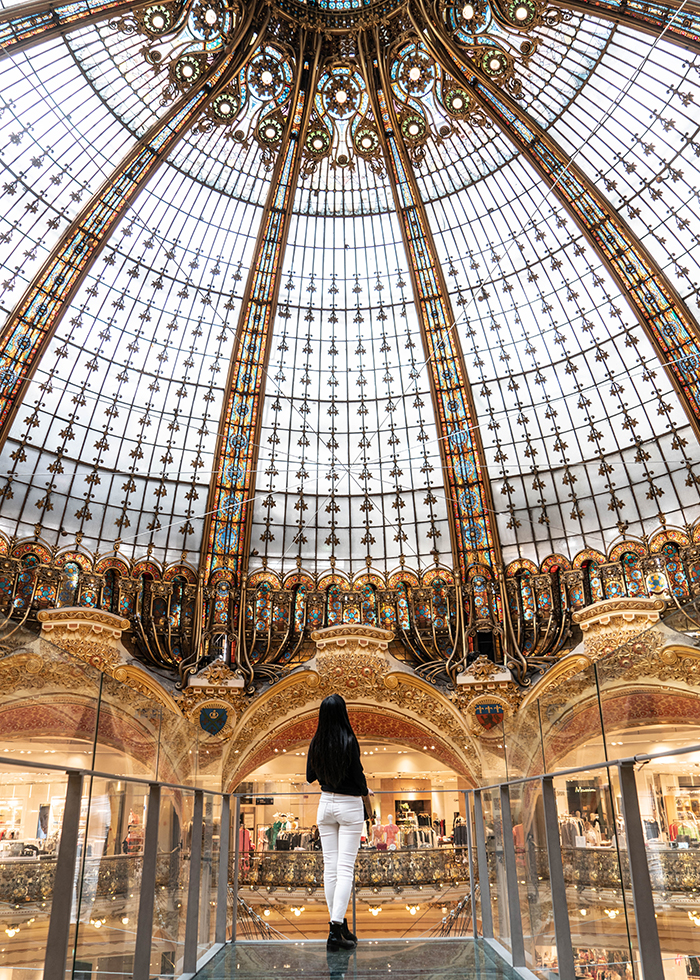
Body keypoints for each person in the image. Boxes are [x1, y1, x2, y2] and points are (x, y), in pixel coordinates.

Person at [306, 693, 370, 952]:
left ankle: (339, 925)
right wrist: (365, 790)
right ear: (343, 713)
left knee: (330, 868)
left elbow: (311, 775)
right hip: (349, 806)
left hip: (325, 804)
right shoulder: (349, 740)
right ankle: (335, 930)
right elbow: (358, 776)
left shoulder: (316, 742)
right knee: (345, 869)